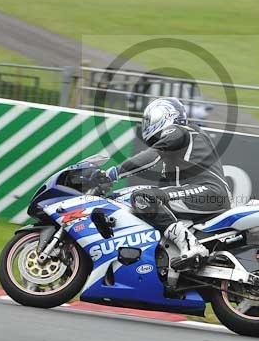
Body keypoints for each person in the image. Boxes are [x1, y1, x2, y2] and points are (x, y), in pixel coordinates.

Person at [98, 97, 232, 271]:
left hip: (209, 191)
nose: (146, 125)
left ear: (165, 114)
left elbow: (150, 157)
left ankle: (192, 247)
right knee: (146, 198)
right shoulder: (174, 155)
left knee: (143, 197)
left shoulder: (180, 130)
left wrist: (112, 174)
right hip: (202, 193)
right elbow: (158, 190)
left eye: (149, 119)